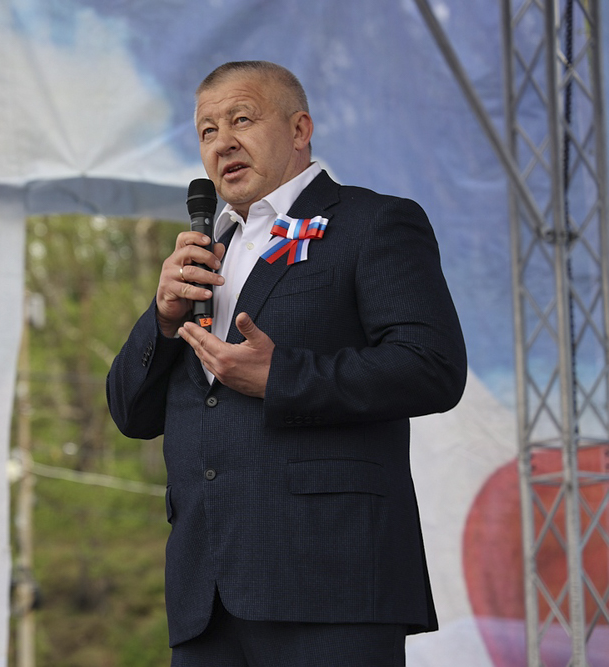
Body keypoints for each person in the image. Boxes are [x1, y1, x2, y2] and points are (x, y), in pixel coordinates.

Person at [106, 61, 467, 665]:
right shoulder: (203, 255)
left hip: (332, 581)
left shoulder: (373, 222)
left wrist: (283, 378)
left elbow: (432, 366)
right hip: (206, 594)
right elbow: (130, 414)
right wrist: (163, 318)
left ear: (300, 129)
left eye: (241, 119)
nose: (223, 142)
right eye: (207, 131)